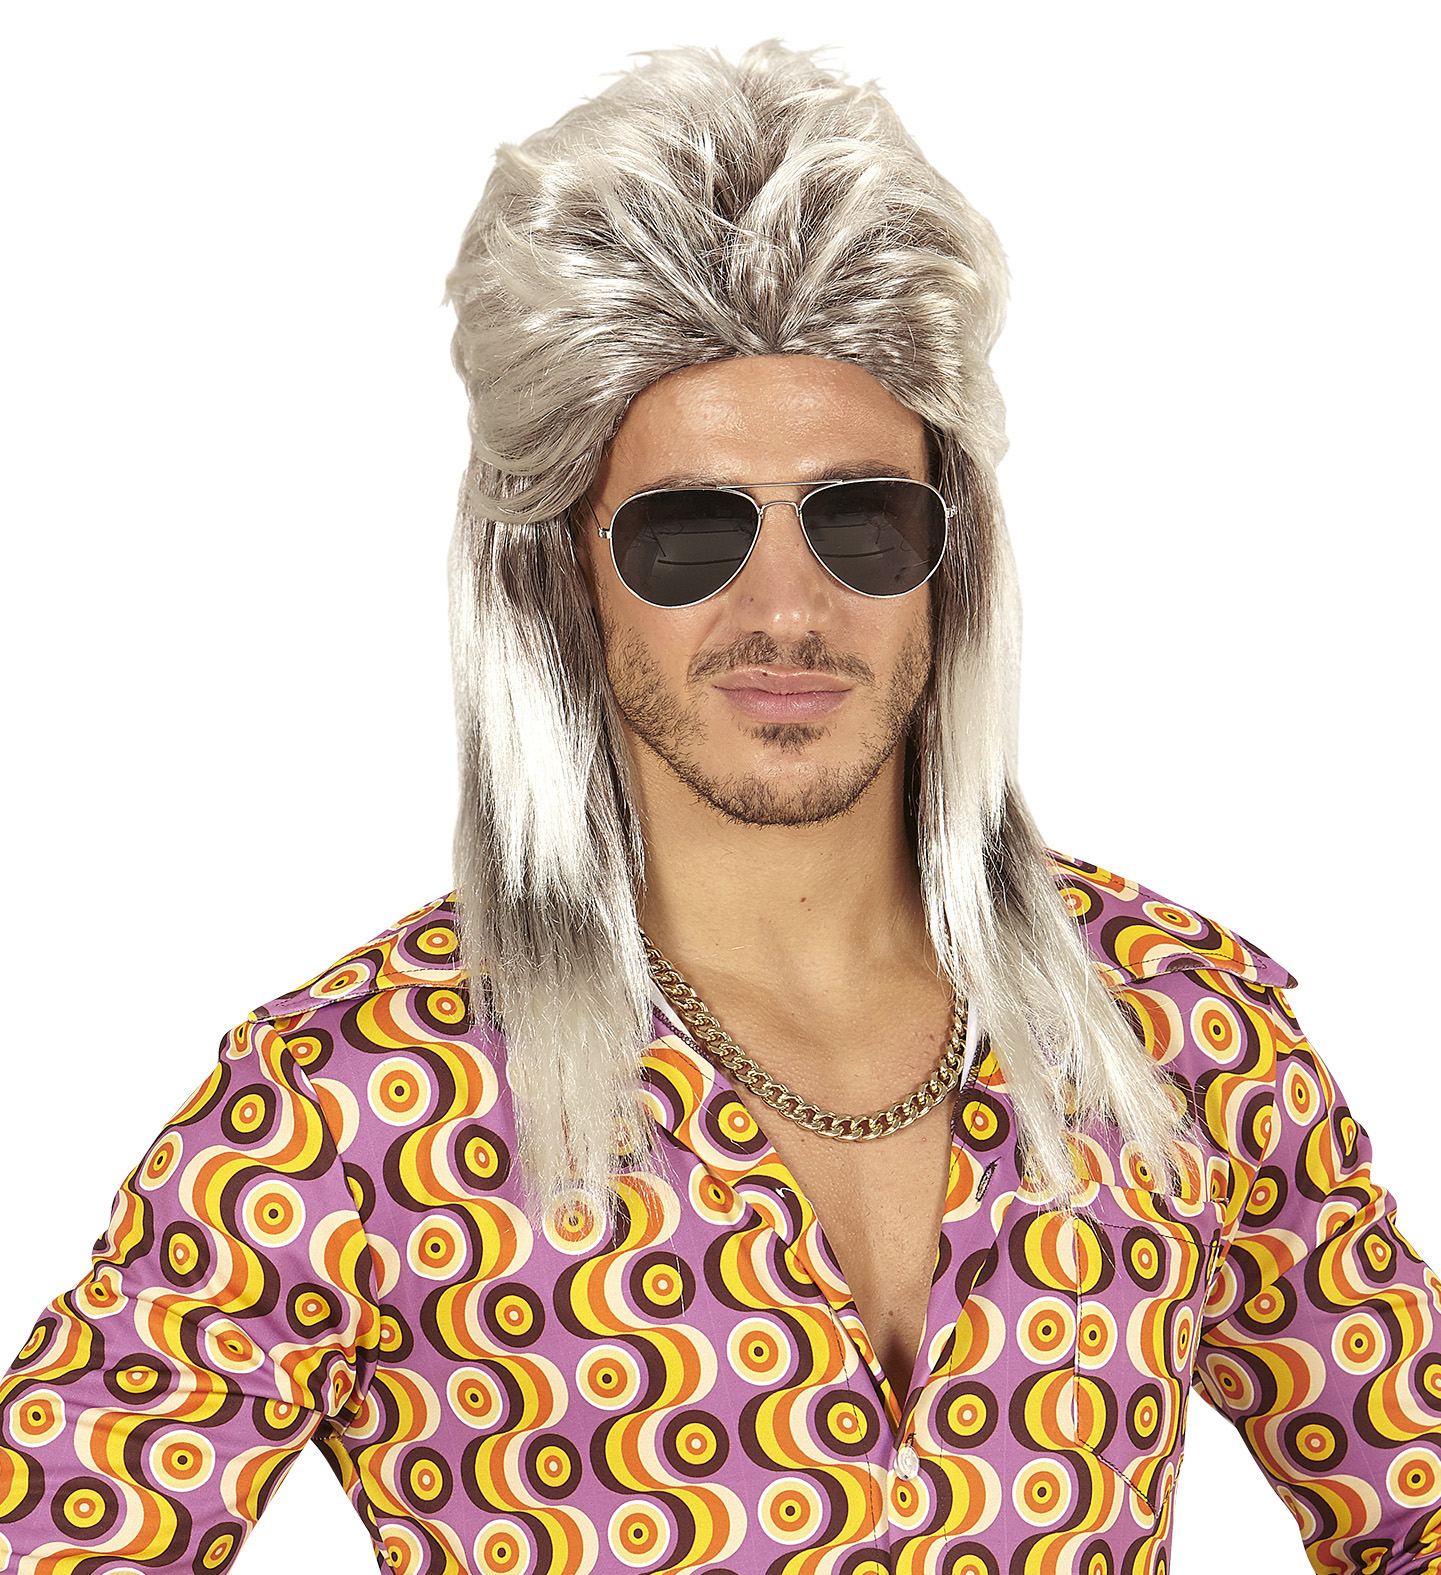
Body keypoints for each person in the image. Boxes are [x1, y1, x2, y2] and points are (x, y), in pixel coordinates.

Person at [2, 39, 1437, 1575]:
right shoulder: (359, 1107)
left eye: (861, 521)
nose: (787, 611)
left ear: (949, 560)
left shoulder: (1170, 1027)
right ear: (559, 576)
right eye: (687, 534)